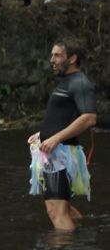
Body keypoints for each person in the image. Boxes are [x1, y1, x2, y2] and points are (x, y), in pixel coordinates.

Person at [28, 40, 96, 232]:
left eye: (57, 55)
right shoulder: (67, 82)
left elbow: (89, 117)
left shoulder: (80, 83)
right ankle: (84, 236)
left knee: (55, 211)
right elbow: (65, 117)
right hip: (55, 153)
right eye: (52, 55)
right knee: (63, 207)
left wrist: (55, 138)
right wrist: (42, 134)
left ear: (73, 58)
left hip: (62, 155)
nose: (52, 60)